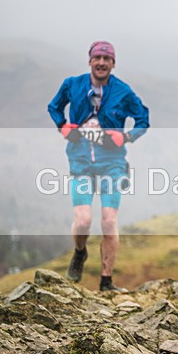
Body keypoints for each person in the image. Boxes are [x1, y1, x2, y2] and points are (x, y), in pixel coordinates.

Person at [47, 41, 149, 292]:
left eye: (107, 58)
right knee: (82, 221)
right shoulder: (72, 84)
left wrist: (125, 137)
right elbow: (54, 106)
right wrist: (63, 125)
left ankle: (106, 280)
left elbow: (143, 120)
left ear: (113, 63)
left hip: (112, 163)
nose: (102, 62)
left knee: (108, 220)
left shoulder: (123, 92)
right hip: (80, 160)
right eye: (97, 58)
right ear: (90, 61)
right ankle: (80, 252)